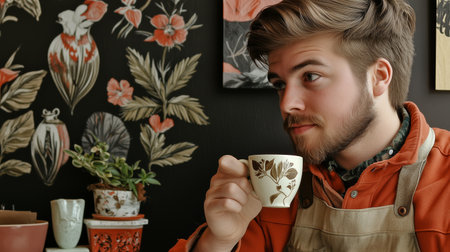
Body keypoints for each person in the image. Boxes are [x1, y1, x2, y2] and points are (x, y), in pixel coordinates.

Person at [170, 0, 450, 251]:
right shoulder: (272, 191)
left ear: (378, 77)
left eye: (311, 76)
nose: (286, 104)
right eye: (279, 84)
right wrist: (219, 241)